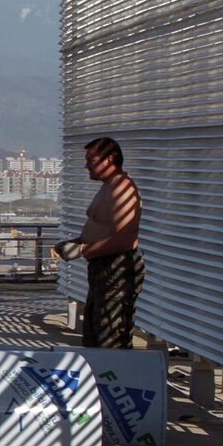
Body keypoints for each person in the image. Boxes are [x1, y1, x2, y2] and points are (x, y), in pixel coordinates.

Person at [54, 136, 144, 348]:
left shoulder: (123, 188)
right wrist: (77, 243)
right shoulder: (109, 186)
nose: (86, 166)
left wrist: (84, 249)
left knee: (110, 337)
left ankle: (112, 375)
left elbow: (124, 238)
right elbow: (105, 229)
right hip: (102, 268)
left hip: (116, 268)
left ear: (110, 159)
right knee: (94, 334)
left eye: (91, 160)